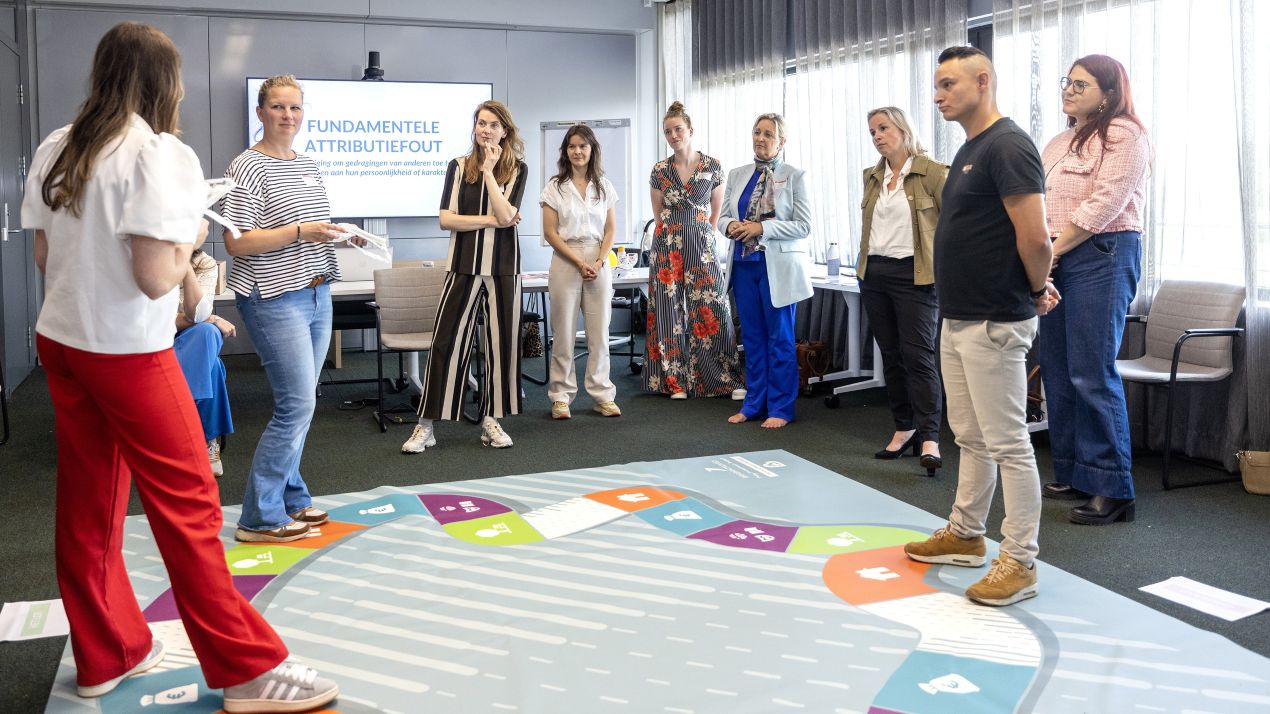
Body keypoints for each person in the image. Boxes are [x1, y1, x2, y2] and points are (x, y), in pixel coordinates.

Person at [21, 22, 338, 711]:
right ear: (164, 83)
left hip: (63, 344)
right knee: (189, 507)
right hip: (128, 353)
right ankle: (248, 670)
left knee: (89, 505)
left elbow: (47, 258)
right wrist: (194, 227)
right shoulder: (160, 153)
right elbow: (156, 279)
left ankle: (107, 652)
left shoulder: (57, 145)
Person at [903, 46, 1060, 607]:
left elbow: (1036, 238)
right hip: (960, 316)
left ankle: (1019, 561)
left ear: (983, 81)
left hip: (995, 318)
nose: (938, 95)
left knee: (1009, 443)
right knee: (969, 437)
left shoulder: (1009, 145)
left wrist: (1036, 290)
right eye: (936, 85)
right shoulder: (972, 147)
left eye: (948, 84)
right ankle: (967, 534)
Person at [221, 74, 345, 543]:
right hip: (273, 296)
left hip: (316, 291)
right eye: (278, 107)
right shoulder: (247, 166)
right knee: (297, 405)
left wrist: (334, 234)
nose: (287, 116)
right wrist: (300, 232)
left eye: (294, 107)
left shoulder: (308, 163)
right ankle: (259, 517)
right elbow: (236, 242)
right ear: (260, 113)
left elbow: (311, 226)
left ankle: (291, 496)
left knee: (303, 402)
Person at [1038, 55, 1151, 525]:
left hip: (1102, 253)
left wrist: (1052, 251)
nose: (1069, 89)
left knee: (1090, 371)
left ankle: (1112, 487)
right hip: (1057, 256)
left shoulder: (1125, 134)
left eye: (1081, 84)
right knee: (1058, 369)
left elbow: (1105, 203)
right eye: (1067, 82)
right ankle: (1075, 472)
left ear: (1108, 93)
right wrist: (1042, 254)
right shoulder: (1058, 141)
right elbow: (1040, 202)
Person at [402, 100, 527, 453]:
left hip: (504, 268)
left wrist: (488, 172)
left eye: (493, 125)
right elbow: (447, 219)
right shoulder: (457, 166)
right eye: (481, 123)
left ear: (505, 131)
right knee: (446, 342)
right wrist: (491, 220)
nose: (485, 130)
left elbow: (508, 213)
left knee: (501, 346)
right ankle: (426, 425)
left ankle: (491, 421)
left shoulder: (517, 169)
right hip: (462, 265)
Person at [858, 107, 949, 471]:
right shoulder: (872, 177)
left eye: (883, 128)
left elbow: (954, 227)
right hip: (874, 273)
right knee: (891, 356)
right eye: (872, 132)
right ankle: (904, 427)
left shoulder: (934, 173)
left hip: (915, 276)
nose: (877, 136)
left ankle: (930, 437)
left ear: (904, 129)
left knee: (919, 357)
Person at [717, 112, 813, 428]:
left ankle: (781, 408)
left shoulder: (794, 175)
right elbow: (722, 217)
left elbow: (803, 226)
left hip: (778, 268)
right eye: (757, 132)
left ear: (781, 141)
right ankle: (754, 404)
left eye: (768, 134)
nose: (760, 138)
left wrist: (762, 228)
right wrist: (731, 225)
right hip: (744, 266)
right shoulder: (737, 174)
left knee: (780, 338)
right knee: (753, 339)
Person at [646, 101, 741, 399]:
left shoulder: (712, 166)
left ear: (690, 130)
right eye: (668, 132)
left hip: (702, 243)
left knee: (712, 308)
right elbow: (658, 215)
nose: (673, 135)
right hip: (667, 243)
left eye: (678, 129)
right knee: (667, 311)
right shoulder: (660, 170)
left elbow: (716, 214)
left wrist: (702, 237)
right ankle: (673, 381)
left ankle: (721, 379)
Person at [541, 124, 622, 420]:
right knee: (563, 332)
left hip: (598, 259)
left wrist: (599, 262)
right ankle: (560, 397)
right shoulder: (554, 187)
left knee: (599, 333)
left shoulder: (604, 186)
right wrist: (578, 262)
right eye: (572, 146)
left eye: (583, 146)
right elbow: (550, 233)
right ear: (566, 151)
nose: (577, 151)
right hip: (566, 258)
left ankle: (602, 394)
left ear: (592, 150)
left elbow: (611, 230)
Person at [173, 249, 235, 477]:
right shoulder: (146, 252)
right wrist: (213, 318)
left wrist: (186, 265)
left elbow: (198, 315)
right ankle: (207, 438)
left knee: (207, 332)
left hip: (188, 338)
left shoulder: (204, 263)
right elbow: (151, 319)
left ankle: (185, 433)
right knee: (213, 367)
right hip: (151, 338)